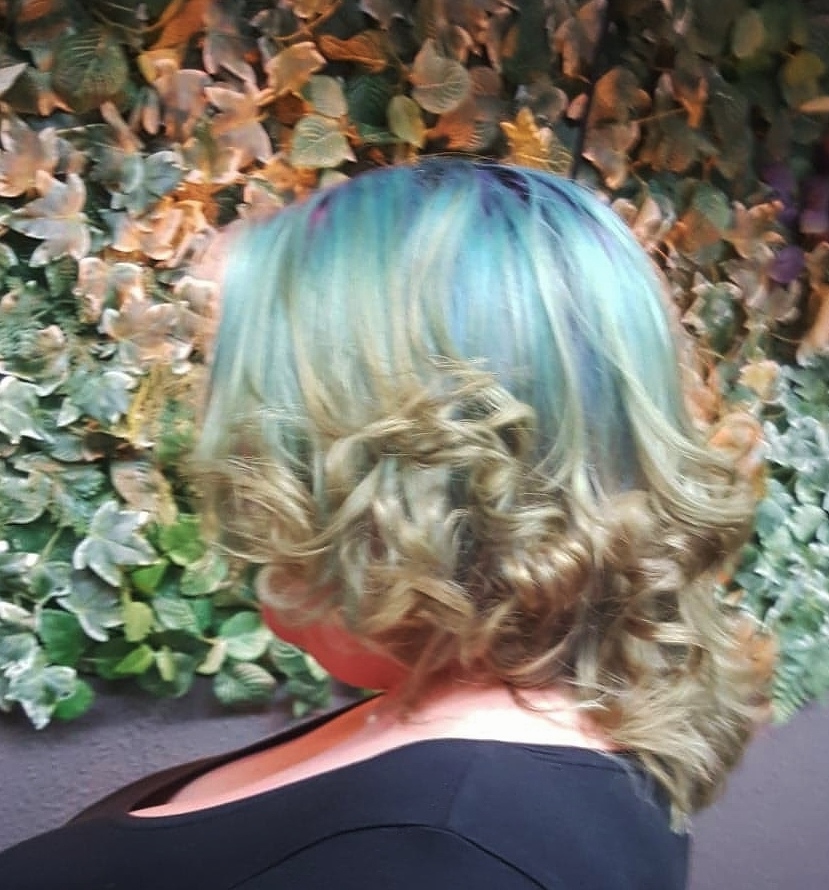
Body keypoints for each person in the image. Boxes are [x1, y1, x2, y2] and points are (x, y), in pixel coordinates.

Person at [1, 159, 765, 889]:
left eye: (249, 401)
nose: (215, 438)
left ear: (393, 455)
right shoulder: (458, 730)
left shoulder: (453, 856)